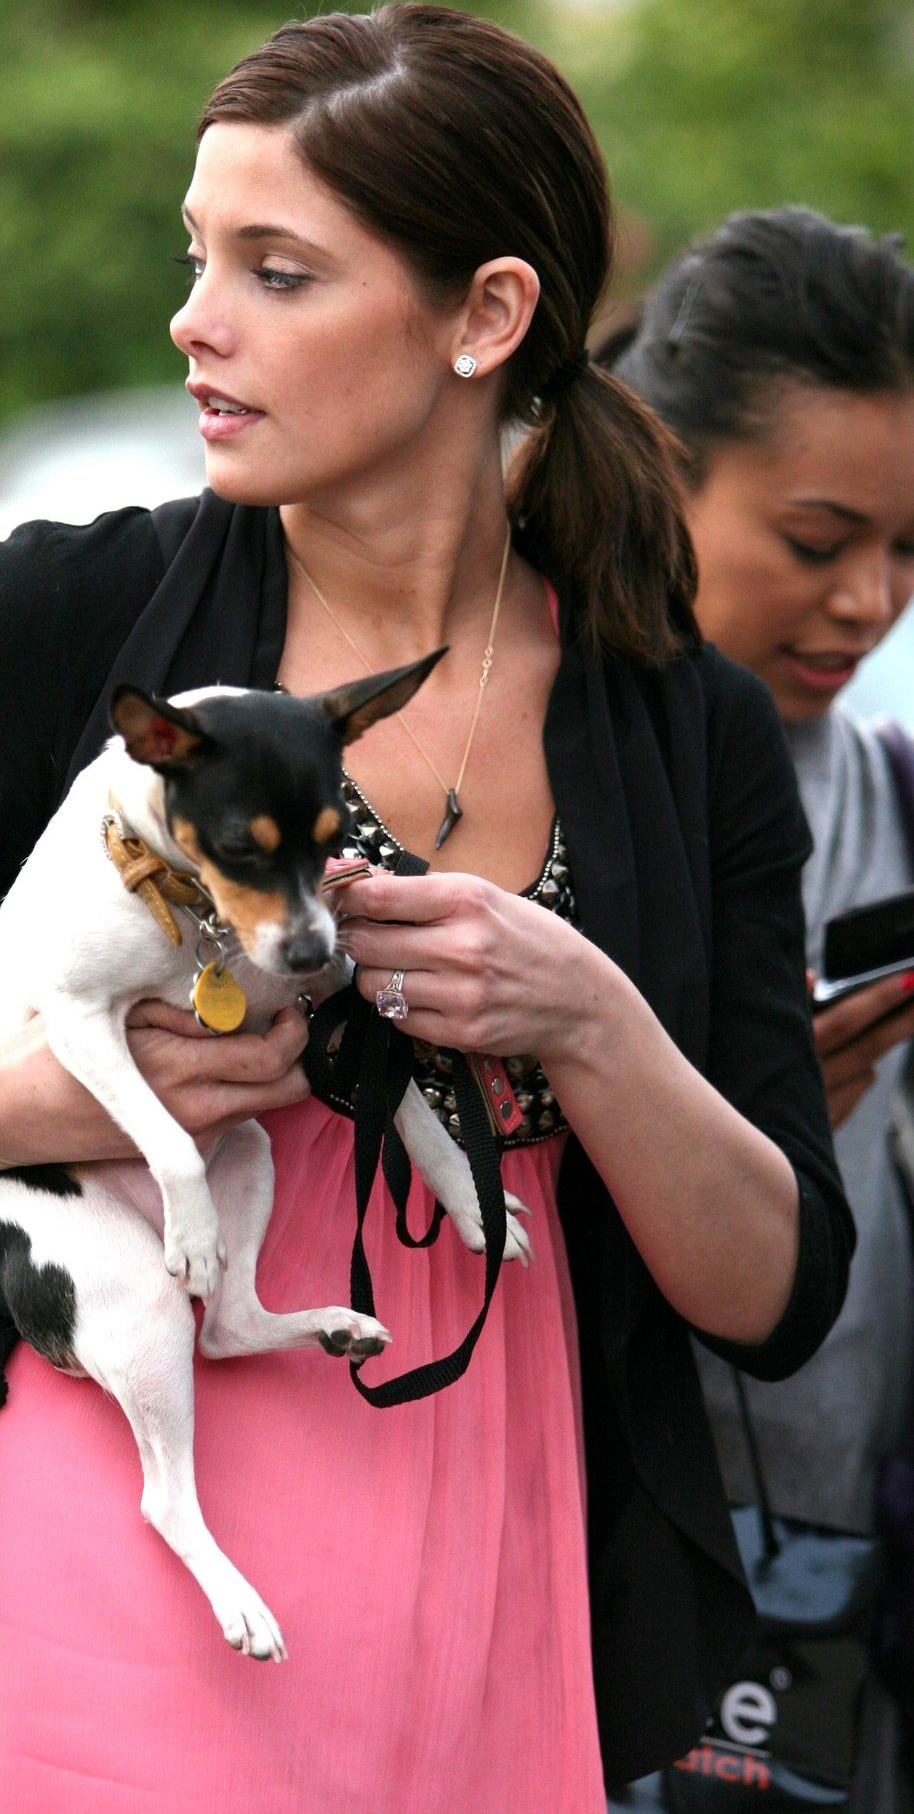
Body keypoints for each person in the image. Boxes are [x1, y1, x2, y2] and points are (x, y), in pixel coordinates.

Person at [0, 9, 851, 1813]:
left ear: (486, 315)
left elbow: (772, 1290)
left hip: (499, 1545)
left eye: (274, 271)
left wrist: (588, 1020)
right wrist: (13, 1096)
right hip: (100, 1487)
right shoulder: (57, 621)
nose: (196, 320)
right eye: (196, 259)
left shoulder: (681, 722)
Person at [606, 207, 914, 1811]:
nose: (866, 602)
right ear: (659, 463)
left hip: (837, 1583)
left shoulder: (884, 790)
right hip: (590, 1582)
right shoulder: (511, 773)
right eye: (814, 540)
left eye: (907, 550)